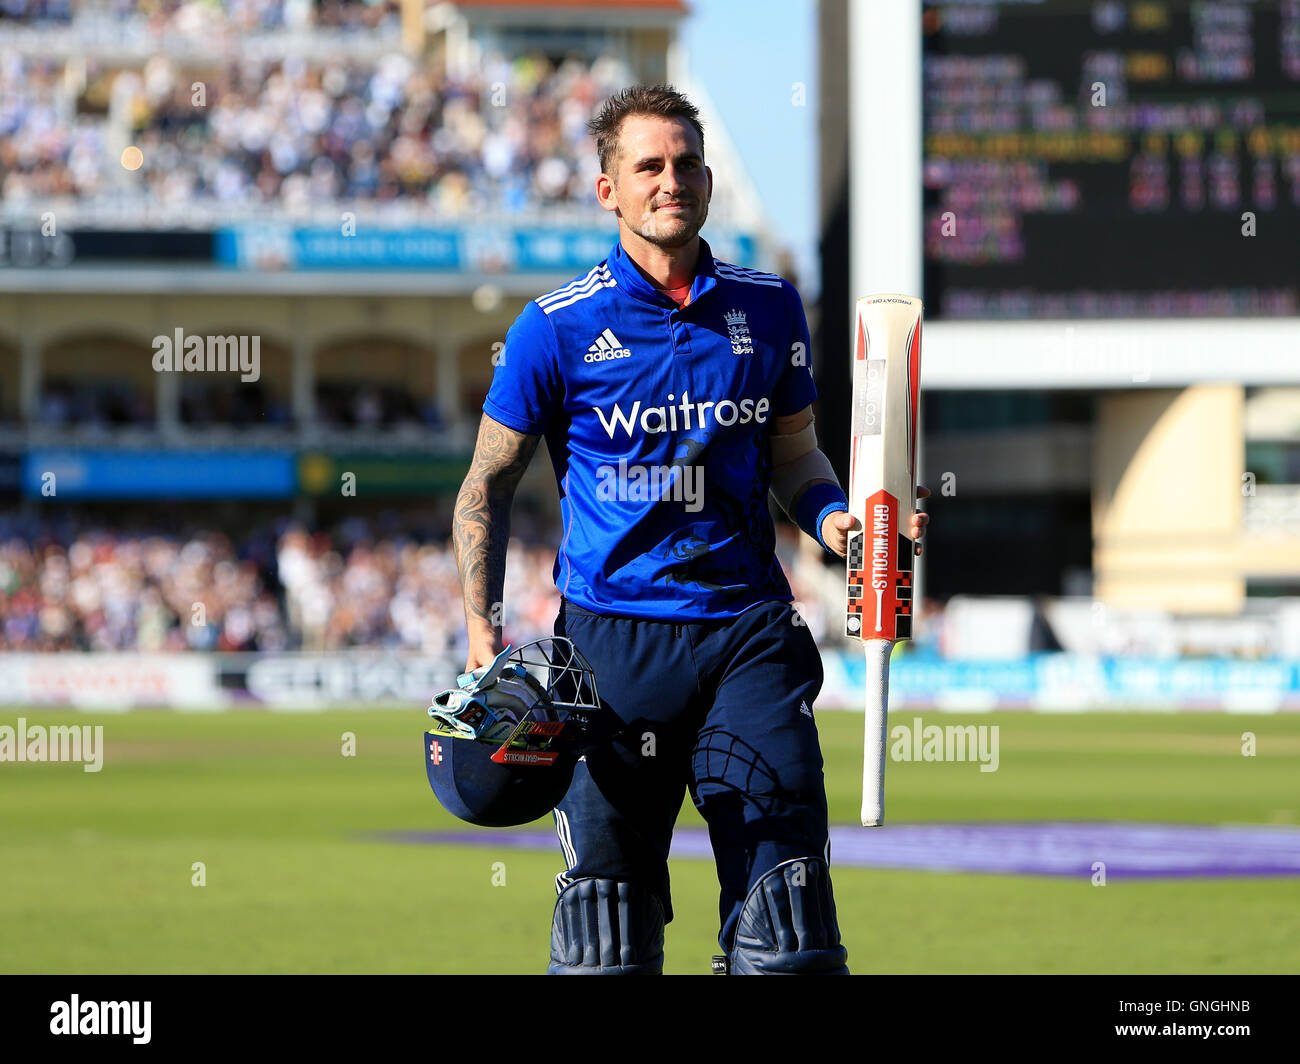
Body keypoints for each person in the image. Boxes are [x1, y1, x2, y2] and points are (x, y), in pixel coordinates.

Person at [452, 85, 929, 974]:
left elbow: (799, 463)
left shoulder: (771, 308)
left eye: (687, 164)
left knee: (787, 924)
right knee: (606, 936)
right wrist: (483, 635)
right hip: (607, 650)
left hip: (744, 632)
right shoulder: (552, 328)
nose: (673, 181)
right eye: (649, 167)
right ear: (609, 192)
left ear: (708, 180)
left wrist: (846, 531)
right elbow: (485, 486)